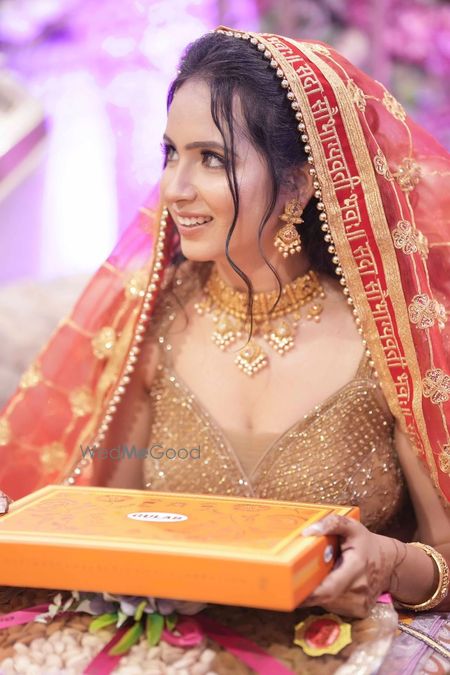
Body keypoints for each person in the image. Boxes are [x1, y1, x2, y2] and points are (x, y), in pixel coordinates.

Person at [0, 26, 449, 621]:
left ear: (297, 185)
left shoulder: (390, 339)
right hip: (173, 648)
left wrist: (388, 562)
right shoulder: (153, 319)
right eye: (170, 154)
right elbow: (108, 526)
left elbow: (444, 555)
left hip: (347, 645)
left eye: (211, 159)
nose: (175, 188)